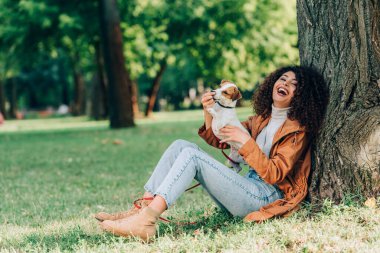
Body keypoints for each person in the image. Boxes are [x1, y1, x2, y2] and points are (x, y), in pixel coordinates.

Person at [96, 65, 329, 241]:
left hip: (266, 197)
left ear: (301, 96)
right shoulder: (261, 120)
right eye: (283, 78)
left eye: (295, 85)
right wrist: (209, 112)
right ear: (273, 83)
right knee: (181, 146)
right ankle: (141, 210)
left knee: (193, 157)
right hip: (245, 188)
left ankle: (146, 222)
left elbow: (276, 174)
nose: (286, 84)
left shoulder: (298, 130)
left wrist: (246, 143)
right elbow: (220, 140)